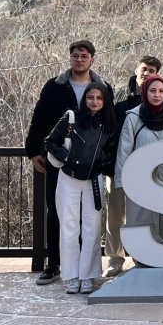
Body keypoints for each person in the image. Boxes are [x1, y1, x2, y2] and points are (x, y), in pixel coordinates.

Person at [24, 39, 108, 285]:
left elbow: (111, 124)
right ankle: (55, 264)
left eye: (84, 56)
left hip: (91, 165)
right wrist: (33, 151)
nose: (79, 59)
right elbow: (38, 119)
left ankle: (84, 271)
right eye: (75, 56)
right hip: (60, 162)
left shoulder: (103, 88)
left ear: (93, 59)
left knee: (88, 218)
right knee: (57, 212)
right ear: (70, 58)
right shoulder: (54, 87)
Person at [44, 81, 118, 294]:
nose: (94, 101)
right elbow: (50, 142)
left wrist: (101, 163)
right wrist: (67, 158)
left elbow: (111, 152)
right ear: (84, 99)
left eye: (99, 98)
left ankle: (88, 275)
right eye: (90, 97)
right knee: (69, 228)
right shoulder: (71, 118)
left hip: (93, 180)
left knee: (92, 229)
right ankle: (71, 275)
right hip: (68, 178)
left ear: (105, 101)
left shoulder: (109, 125)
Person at [114, 74, 163, 251]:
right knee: (142, 222)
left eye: (161, 91)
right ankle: (142, 260)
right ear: (145, 92)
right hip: (140, 182)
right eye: (152, 90)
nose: (157, 95)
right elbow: (124, 151)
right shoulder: (133, 118)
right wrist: (121, 181)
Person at [107, 55, 161, 277]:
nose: (146, 73)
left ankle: (142, 254)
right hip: (117, 166)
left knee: (143, 214)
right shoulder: (119, 96)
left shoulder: (161, 97)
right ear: (136, 70)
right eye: (143, 69)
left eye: (151, 69)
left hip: (147, 171)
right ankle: (115, 258)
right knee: (116, 214)